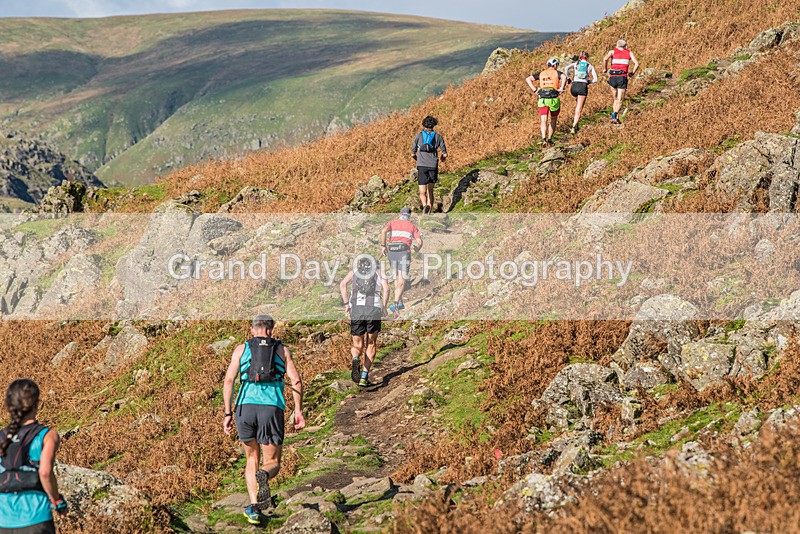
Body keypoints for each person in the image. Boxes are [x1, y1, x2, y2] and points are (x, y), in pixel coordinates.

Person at [223, 315, 306, 525]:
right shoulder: (281, 350)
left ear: (252, 331)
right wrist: (298, 410)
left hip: (245, 408)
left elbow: (229, 380)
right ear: (271, 330)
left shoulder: (241, 350)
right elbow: (295, 380)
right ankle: (264, 475)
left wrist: (227, 413)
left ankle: (253, 507)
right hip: (271, 409)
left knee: (251, 459)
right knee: (273, 462)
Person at [0, 379, 67, 534]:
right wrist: (57, 500)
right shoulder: (47, 435)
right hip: (37, 518)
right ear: (37, 404)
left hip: (3, 520)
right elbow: (44, 472)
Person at [339, 255, 390, 387]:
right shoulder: (380, 273)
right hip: (373, 310)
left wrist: (346, 304)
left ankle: (356, 358)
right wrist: (384, 306)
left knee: (357, 344)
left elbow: (342, 285)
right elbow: (387, 289)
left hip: (357, 309)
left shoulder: (354, 273)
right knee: (371, 343)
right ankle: (364, 376)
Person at [380, 207, 423, 315]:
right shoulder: (412, 227)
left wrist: (383, 246)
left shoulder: (392, 223)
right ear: (409, 216)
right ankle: (396, 304)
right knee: (402, 279)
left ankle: (399, 302)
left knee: (396, 277)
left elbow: (383, 231)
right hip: (404, 252)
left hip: (392, 251)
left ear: (400, 214)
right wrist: (417, 248)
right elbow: (419, 241)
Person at [526, 58, 567, 146]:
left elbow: (528, 79)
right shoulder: (557, 73)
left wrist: (535, 90)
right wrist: (562, 88)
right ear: (555, 65)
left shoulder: (541, 73)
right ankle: (549, 139)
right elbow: (564, 77)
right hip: (553, 98)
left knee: (543, 119)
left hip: (542, 98)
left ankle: (543, 139)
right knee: (553, 119)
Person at [412, 116, 448, 214]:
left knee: (422, 191)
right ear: (434, 125)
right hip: (433, 165)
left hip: (422, 166)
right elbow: (445, 154)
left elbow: (412, 153)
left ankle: (425, 206)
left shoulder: (418, 136)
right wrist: (442, 158)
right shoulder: (438, 136)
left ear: (424, 124)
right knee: (430, 190)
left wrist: (417, 159)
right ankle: (429, 211)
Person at [603, 39, 639, 124]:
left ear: (617, 45)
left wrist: (605, 69)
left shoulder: (612, 52)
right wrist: (632, 73)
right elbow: (637, 64)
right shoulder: (629, 52)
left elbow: (605, 59)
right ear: (625, 46)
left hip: (612, 77)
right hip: (622, 77)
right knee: (620, 99)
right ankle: (614, 115)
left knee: (615, 99)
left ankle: (615, 118)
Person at [564, 51, 598, 134]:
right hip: (583, 86)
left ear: (580, 57)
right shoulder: (590, 66)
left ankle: (577, 124)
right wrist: (589, 82)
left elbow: (566, 69)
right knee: (579, 109)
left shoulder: (576, 64)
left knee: (577, 106)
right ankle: (574, 127)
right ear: (587, 57)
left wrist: (568, 79)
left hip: (574, 86)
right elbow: (596, 79)